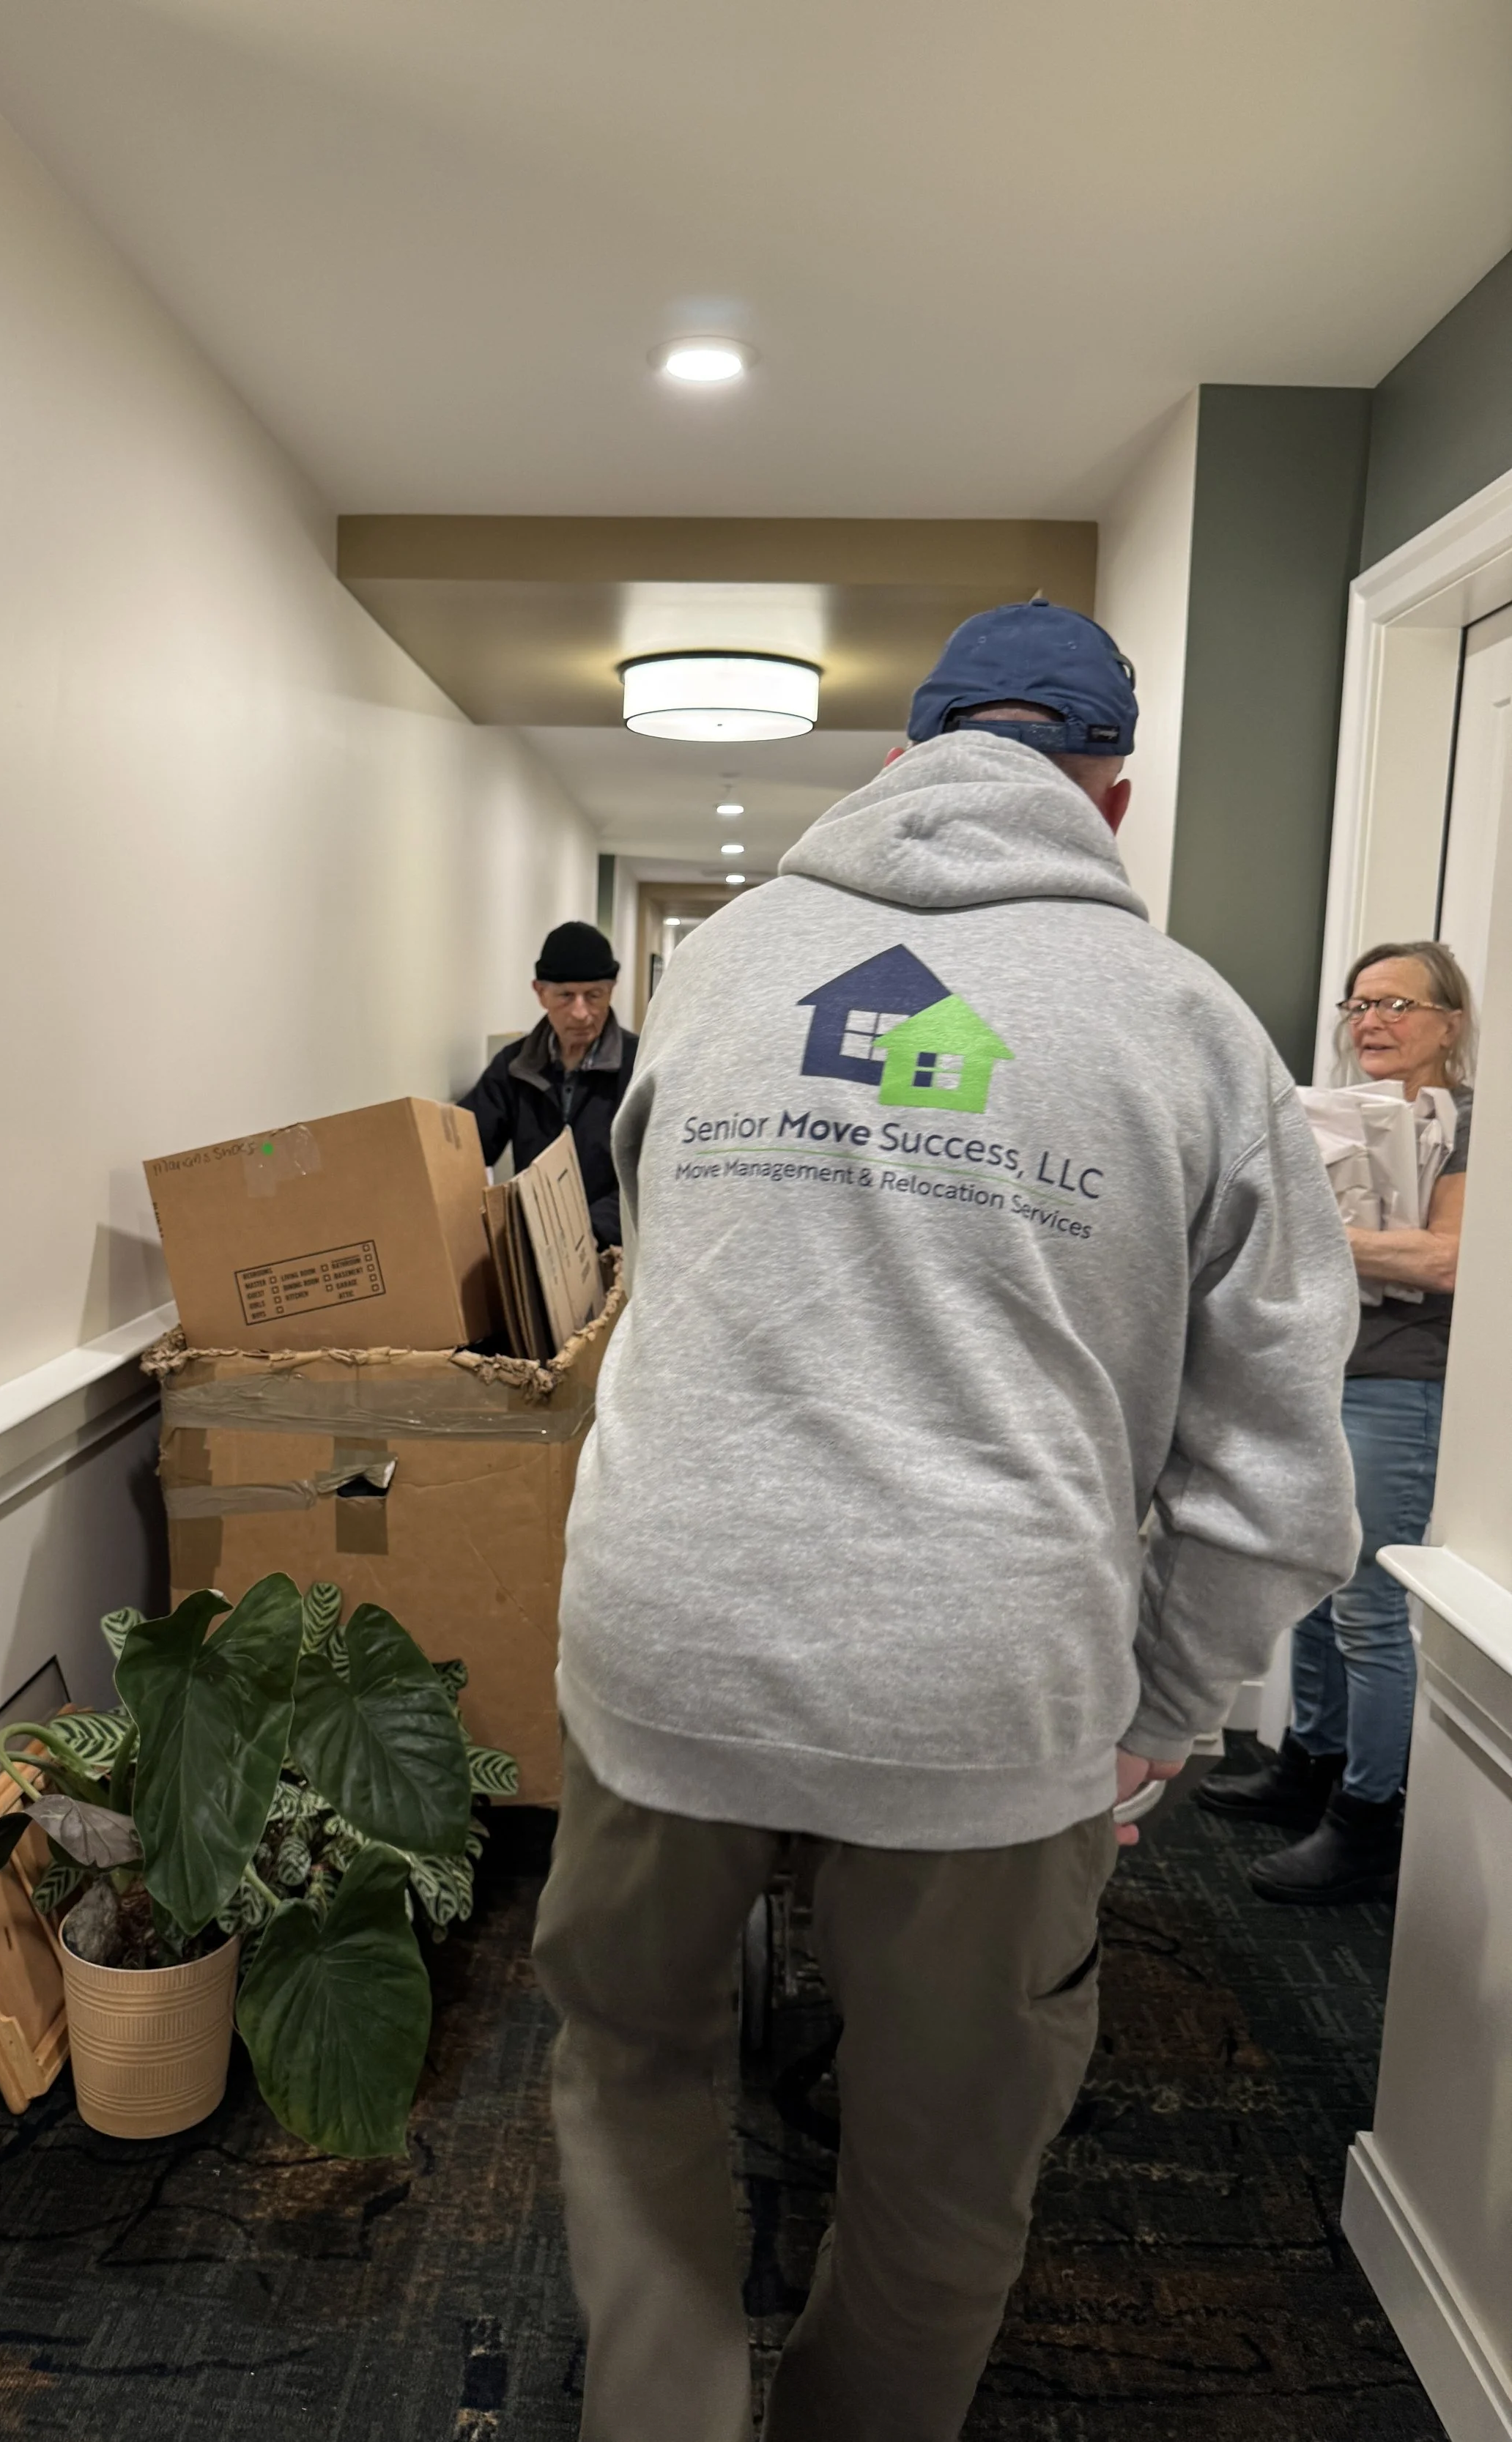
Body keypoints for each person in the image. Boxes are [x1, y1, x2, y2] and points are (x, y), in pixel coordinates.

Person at [531, 598, 1362, 2442]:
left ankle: (659, 2410)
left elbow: (661, 1284)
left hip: (668, 1639)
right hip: (988, 1690)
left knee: (634, 2062)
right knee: (943, 2163)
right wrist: (1161, 1715)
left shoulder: (726, 964)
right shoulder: (1194, 1032)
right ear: (1114, 799)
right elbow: (1278, 1481)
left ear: (904, 757)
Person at [1198, 940, 1473, 1904]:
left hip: (1402, 1383)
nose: (1372, 1024)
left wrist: (1320, 1235)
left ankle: (1369, 1817)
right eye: (1359, 1006)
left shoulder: (1475, 1125)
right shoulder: (1331, 1119)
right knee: (1314, 1578)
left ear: (1452, 1022)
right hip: (1322, 1369)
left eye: (1398, 1005)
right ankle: (1308, 1767)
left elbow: (1443, 1262)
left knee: (1367, 1599)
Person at [460, 920, 637, 1248]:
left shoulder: (639, 1065)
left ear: (611, 990)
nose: (581, 1013)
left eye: (594, 996)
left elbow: (646, 1173)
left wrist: (589, 1231)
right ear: (540, 993)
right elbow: (465, 1148)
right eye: (566, 996)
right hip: (534, 1246)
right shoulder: (514, 1067)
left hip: (612, 1248)